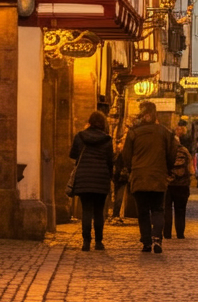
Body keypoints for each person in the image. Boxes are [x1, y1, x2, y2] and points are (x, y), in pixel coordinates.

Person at [118, 100, 177, 253]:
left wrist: (132, 169)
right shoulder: (165, 132)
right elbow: (172, 154)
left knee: (143, 211)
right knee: (158, 209)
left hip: (139, 177)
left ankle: (146, 241)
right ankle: (157, 238)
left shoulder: (133, 133)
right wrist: (167, 169)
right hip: (158, 176)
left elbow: (126, 156)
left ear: (141, 115)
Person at [68, 110, 116, 251]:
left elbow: (73, 155)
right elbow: (110, 161)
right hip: (101, 179)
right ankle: (99, 242)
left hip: (84, 178)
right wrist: (110, 177)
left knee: (86, 210)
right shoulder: (107, 140)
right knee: (99, 212)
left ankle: (86, 242)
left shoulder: (80, 136)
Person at [163, 134, 193, 240]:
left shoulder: (165, 152)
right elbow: (191, 169)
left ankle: (167, 233)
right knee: (180, 210)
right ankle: (180, 234)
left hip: (168, 184)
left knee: (167, 210)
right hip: (182, 185)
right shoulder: (185, 151)